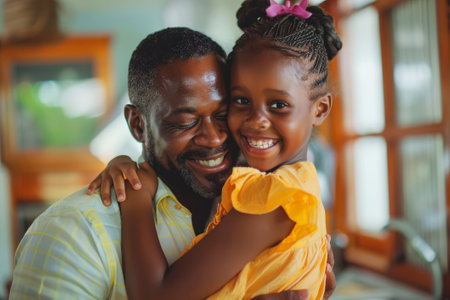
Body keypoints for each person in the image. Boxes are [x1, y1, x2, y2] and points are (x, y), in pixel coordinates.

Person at [9, 26, 334, 299]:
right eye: (185, 122)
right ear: (138, 125)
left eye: (222, 115)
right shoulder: (72, 232)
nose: (214, 138)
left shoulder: (258, 201)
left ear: (319, 109)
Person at [91, 0, 342, 299]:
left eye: (279, 105)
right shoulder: (288, 182)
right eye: (240, 101)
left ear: (320, 109)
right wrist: (125, 161)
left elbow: (154, 296)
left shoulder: (272, 201)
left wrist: (135, 197)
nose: (256, 121)